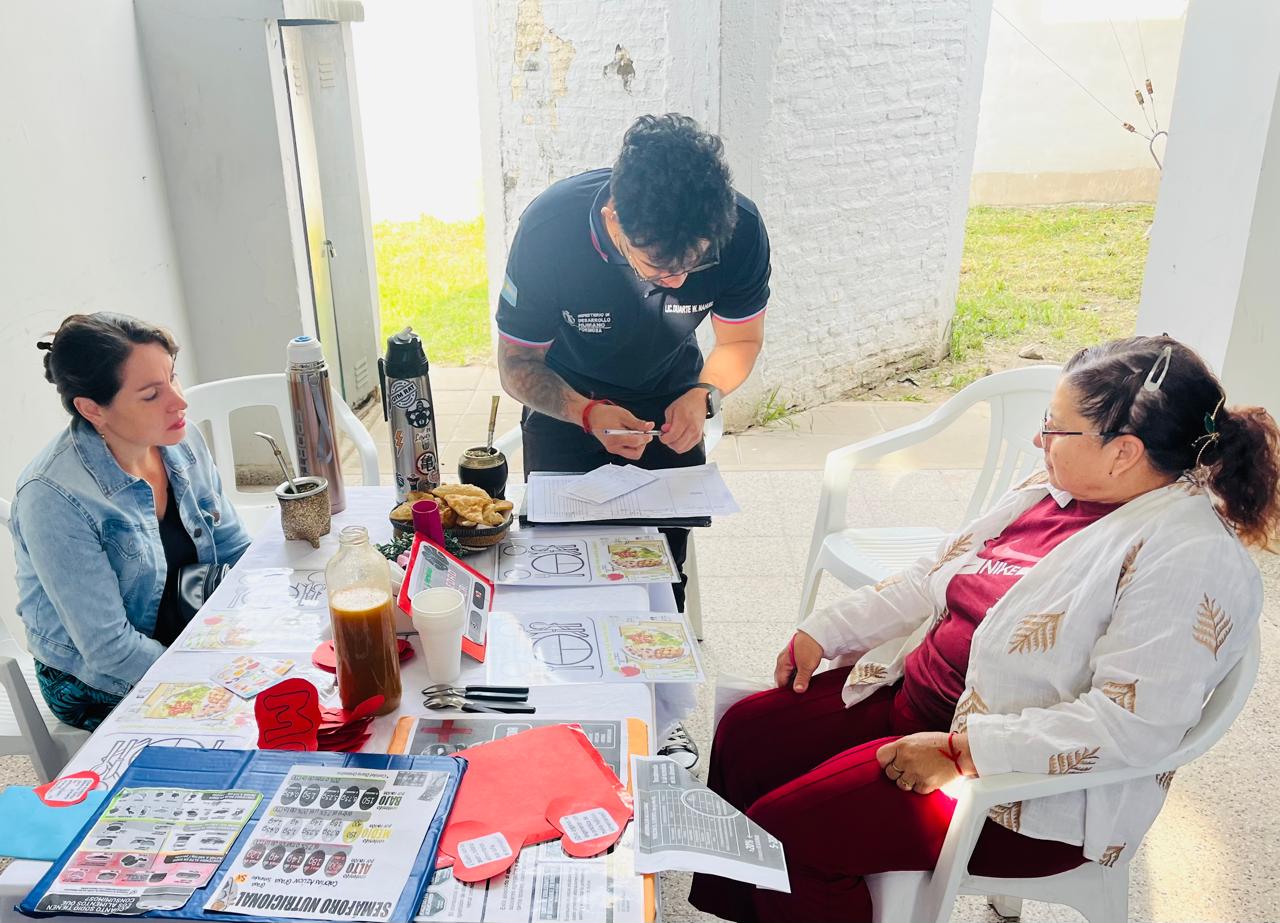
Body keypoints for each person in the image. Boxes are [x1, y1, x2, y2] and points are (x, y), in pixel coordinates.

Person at [689, 335, 1278, 922]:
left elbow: (1132, 726)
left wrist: (961, 751)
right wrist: (827, 630)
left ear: (1123, 452)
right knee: (745, 735)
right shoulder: (1055, 488)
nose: (1037, 439)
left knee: (788, 837)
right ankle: (751, 911)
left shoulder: (1185, 558)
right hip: (919, 702)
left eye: (1054, 426)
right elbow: (935, 574)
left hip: (1018, 793)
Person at [495, 113, 771, 767]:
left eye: (693, 263)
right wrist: (586, 413)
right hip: (566, 402)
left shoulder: (740, 229)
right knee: (563, 580)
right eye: (658, 265)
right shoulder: (550, 231)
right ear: (616, 218)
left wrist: (703, 395)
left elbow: (739, 342)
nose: (677, 281)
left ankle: (660, 714)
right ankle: (566, 703)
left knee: (654, 576)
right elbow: (516, 368)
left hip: (670, 399)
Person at [9, 313, 251, 730]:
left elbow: (235, 552)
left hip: (184, 626)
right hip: (93, 677)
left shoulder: (181, 438)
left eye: (173, 378)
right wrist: (214, 681)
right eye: (151, 394)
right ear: (92, 409)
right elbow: (110, 651)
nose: (179, 401)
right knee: (242, 721)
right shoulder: (52, 497)